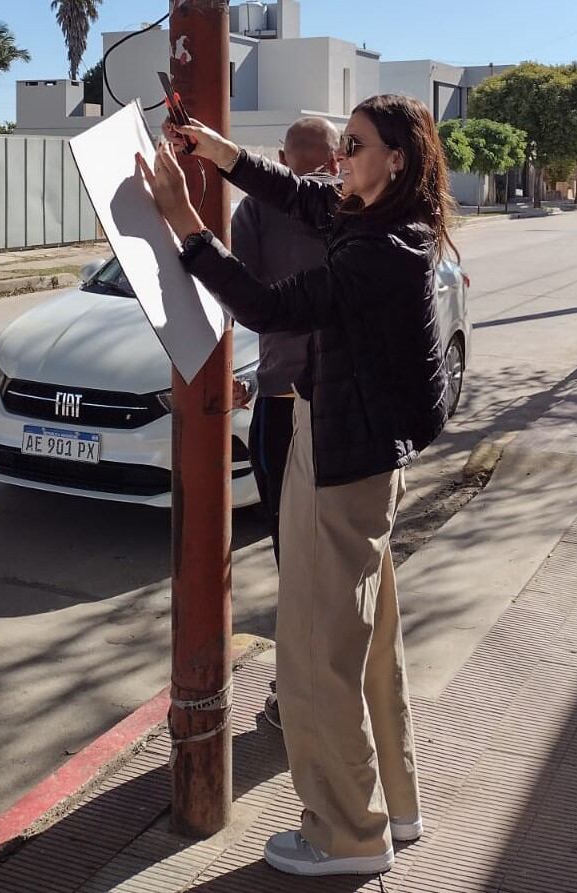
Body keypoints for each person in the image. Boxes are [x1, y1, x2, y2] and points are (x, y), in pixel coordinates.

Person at [137, 93, 453, 877]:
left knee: (317, 653)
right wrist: (224, 154)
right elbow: (306, 194)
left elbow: (270, 307)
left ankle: (346, 834)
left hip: (345, 458)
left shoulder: (380, 251)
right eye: (340, 145)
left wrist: (185, 223)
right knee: (368, 642)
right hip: (359, 450)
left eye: (353, 147)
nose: (337, 161)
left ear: (397, 162)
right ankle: (395, 806)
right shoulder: (381, 220)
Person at [230, 117, 340, 731]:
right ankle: (315, 684)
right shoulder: (357, 208)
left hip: (289, 401)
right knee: (332, 552)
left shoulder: (261, 210)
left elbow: (237, 293)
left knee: (293, 551)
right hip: (328, 402)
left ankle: (299, 691)